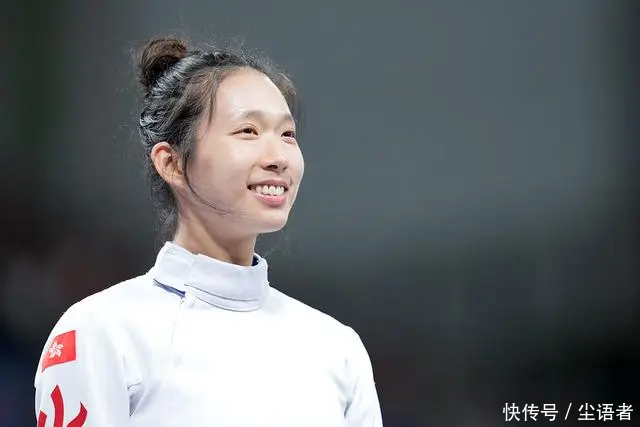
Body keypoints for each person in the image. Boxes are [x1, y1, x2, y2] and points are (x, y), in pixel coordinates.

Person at [33, 35, 383, 426]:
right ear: (172, 163)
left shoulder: (337, 349)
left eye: (287, 134)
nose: (278, 158)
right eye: (248, 131)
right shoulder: (102, 333)